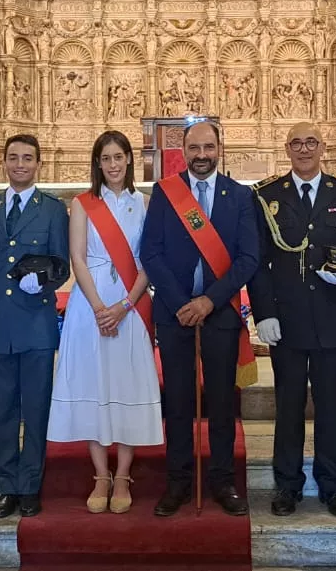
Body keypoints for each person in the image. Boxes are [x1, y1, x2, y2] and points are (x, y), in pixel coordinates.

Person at [249, 122, 336, 518]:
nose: (304, 149)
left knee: (331, 408)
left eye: (311, 142)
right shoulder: (267, 196)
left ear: (323, 147)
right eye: (297, 143)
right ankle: (287, 486)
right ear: (287, 149)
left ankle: (333, 487)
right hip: (286, 321)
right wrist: (264, 312)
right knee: (287, 408)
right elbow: (258, 262)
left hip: (332, 319)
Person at [141, 120, 260, 518]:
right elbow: (151, 253)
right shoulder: (165, 193)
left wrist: (209, 301)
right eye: (194, 148)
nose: (202, 155)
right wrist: (180, 304)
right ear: (184, 151)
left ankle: (223, 481)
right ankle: (177, 481)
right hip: (176, 315)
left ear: (219, 148)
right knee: (176, 400)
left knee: (223, 402)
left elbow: (248, 258)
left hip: (220, 312)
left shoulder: (239, 196)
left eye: (208, 147)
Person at [49, 131, 163, 514]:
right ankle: (101, 473)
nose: (113, 165)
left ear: (129, 159)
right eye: (106, 159)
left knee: (126, 382)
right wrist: (100, 308)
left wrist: (125, 306)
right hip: (89, 307)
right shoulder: (83, 204)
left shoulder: (144, 204)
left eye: (119, 157)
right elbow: (77, 258)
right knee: (94, 381)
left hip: (130, 306)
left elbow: (149, 261)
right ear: (98, 163)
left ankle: (125, 473)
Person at [0, 134, 70, 519]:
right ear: (4, 163)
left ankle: (30, 486)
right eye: (13, 158)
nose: (20, 164)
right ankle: (7, 486)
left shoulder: (53, 211)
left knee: (36, 409)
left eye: (28, 158)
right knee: (3, 412)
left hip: (36, 326)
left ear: (38, 164)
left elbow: (62, 264)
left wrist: (43, 280)